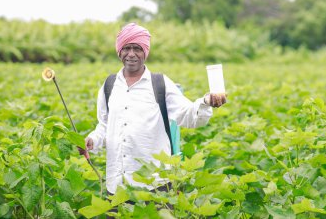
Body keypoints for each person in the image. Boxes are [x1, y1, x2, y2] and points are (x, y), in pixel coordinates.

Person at [83, 22, 227, 196]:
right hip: (117, 187)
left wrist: (206, 101)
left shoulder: (160, 84)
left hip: (155, 188)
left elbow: (188, 116)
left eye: (137, 48)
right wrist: (92, 140)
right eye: (126, 48)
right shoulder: (110, 85)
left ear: (145, 51)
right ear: (119, 51)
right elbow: (105, 126)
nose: (131, 54)